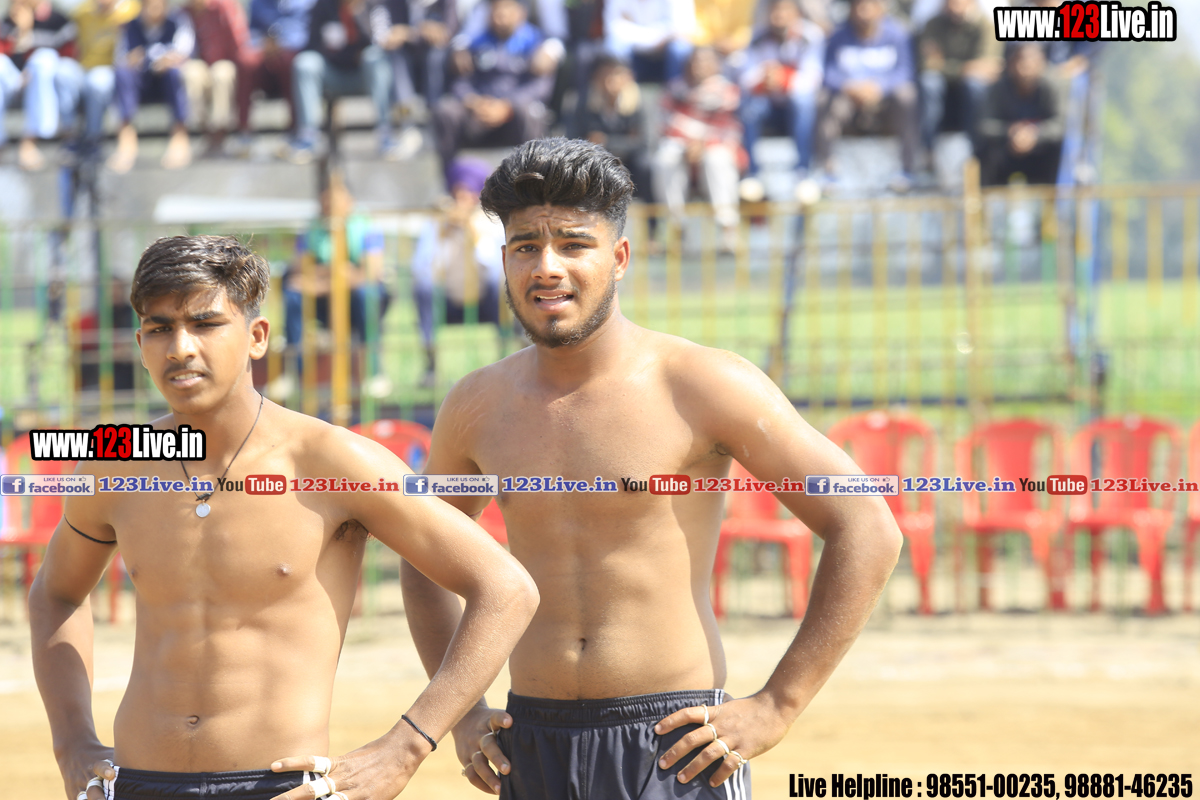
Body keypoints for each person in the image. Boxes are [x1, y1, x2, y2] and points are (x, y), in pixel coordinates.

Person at [400, 138, 904, 799]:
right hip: (532, 743)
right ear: (504, 261)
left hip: (675, 747)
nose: (547, 267)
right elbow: (424, 555)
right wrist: (462, 712)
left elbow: (866, 524)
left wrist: (778, 704)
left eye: (573, 245)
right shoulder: (477, 404)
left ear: (619, 258)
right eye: (526, 246)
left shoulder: (701, 383)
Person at [30, 234, 539, 800]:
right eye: (160, 328)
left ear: (257, 336)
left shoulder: (331, 461)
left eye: (205, 324)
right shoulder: (115, 462)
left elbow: (506, 589)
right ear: (140, 343)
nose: (180, 347)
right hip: (137, 784)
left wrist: (407, 745)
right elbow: (56, 593)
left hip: (279, 787)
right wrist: (72, 743)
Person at [410, 157, 509, 386]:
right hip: (447, 299)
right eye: (459, 192)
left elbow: (494, 266)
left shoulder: (492, 222)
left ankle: (505, 356)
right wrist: (444, 236)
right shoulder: (436, 223)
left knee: (498, 285)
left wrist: (474, 235)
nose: (463, 199)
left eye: (469, 193)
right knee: (424, 289)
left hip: (484, 299)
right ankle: (431, 366)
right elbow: (422, 268)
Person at [432, 0, 553, 185]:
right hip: (479, 113)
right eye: (496, 11)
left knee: (531, 113)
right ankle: (452, 185)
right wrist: (474, 102)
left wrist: (508, 106)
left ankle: (532, 185)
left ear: (521, 13)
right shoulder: (474, 43)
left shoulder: (537, 44)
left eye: (506, 10)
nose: (500, 17)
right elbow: (460, 83)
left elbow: (540, 87)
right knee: (445, 111)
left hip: (513, 116)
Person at [813, 0, 920, 186]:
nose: (864, 13)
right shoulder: (838, 36)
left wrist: (880, 87)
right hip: (848, 99)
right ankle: (827, 170)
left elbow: (905, 71)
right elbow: (828, 73)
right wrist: (849, 87)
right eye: (859, 7)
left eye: (869, 7)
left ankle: (908, 169)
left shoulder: (897, 34)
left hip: (885, 101)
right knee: (824, 100)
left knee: (907, 96)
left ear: (880, 10)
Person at [283, 0, 397, 163]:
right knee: (305, 63)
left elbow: (379, 42)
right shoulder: (323, 5)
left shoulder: (372, 4)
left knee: (375, 58)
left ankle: (385, 135)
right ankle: (308, 137)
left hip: (364, 76)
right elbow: (312, 45)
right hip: (333, 73)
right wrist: (341, 55)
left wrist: (357, 13)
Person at [653, 46, 744, 248]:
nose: (699, 66)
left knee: (717, 159)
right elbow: (666, 124)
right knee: (665, 158)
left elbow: (729, 127)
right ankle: (677, 228)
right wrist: (689, 144)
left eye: (705, 61)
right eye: (695, 61)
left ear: (716, 65)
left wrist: (704, 143)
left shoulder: (728, 91)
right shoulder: (674, 90)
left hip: (717, 145)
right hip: (682, 145)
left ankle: (728, 229)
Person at [737, 0, 824, 197]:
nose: (779, 15)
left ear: (797, 13)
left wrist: (783, 78)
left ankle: (803, 172)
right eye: (775, 10)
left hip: (795, 107)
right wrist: (765, 78)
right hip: (767, 104)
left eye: (785, 10)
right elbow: (745, 77)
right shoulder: (756, 36)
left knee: (804, 102)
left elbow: (813, 78)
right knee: (749, 107)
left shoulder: (811, 36)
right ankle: (752, 174)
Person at [108, 0, 194, 173]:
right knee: (122, 73)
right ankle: (126, 136)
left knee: (175, 73)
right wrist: (136, 59)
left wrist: (166, 60)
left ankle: (180, 135)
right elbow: (121, 57)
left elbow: (184, 52)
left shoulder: (177, 22)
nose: (153, 9)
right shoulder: (131, 26)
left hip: (166, 82)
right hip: (141, 83)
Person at [0, 0, 81, 171]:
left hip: (46, 84)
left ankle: (30, 140)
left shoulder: (59, 20)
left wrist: (28, 32)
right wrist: (22, 31)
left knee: (44, 58)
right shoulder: (9, 21)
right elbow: (5, 56)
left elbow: (67, 58)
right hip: (14, 83)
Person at [916, 0, 999, 152]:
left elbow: (988, 67)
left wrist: (944, 65)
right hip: (942, 86)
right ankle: (927, 150)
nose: (954, 6)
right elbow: (928, 64)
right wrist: (964, 69)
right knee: (929, 82)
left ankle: (976, 149)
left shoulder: (986, 26)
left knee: (975, 85)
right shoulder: (933, 24)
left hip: (967, 88)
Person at [977, 43, 1062, 186]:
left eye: (1032, 62)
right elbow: (985, 125)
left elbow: (1059, 124)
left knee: (1059, 147)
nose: (1026, 68)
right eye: (1021, 61)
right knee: (985, 149)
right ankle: (987, 195)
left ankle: (1053, 195)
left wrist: (1034, 134)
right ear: (1011, 64)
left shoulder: (1051, 87)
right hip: (1006, 148)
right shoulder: (998, 88)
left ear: (1042, 64)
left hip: (1040, 149)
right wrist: (1011, 131)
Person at [181, 0, 251, 156]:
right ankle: (205, 131)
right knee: (192, 72)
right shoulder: (183, 13)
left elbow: (239, 41)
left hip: (225, 63)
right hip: (200, 64)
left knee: (221, 73)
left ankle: (220, 133)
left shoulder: (224, 7)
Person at [71, 0, 140, 152]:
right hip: (83, 67)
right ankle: (68, 135)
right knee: (63, 76)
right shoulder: (82, 12)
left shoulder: (130, 11)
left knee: (97, 83)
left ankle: (93, 137)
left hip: (110, 68)